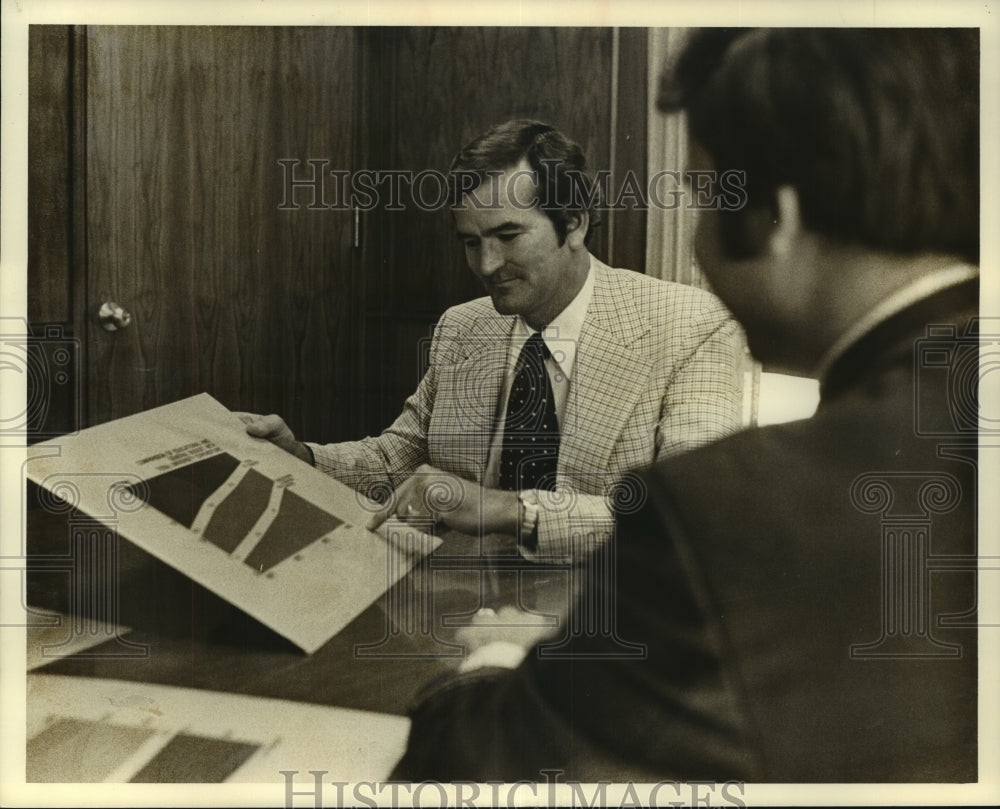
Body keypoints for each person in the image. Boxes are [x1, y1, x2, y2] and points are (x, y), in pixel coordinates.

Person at [389, 29, 980, 782]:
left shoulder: (732, 502)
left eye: (703, 201)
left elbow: (474, 770)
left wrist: (499, 659)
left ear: (777, 216)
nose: (486, 265)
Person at [247, 119, 745, 561]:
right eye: (470, 242)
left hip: (608, 613)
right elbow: (396, 458)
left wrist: (510, 510)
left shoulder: (690, 325)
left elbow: (693, 518)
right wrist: (305, 458)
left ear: (573, 222)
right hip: (456, 602)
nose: (486, 266)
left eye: (508, 237)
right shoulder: (463, 326)